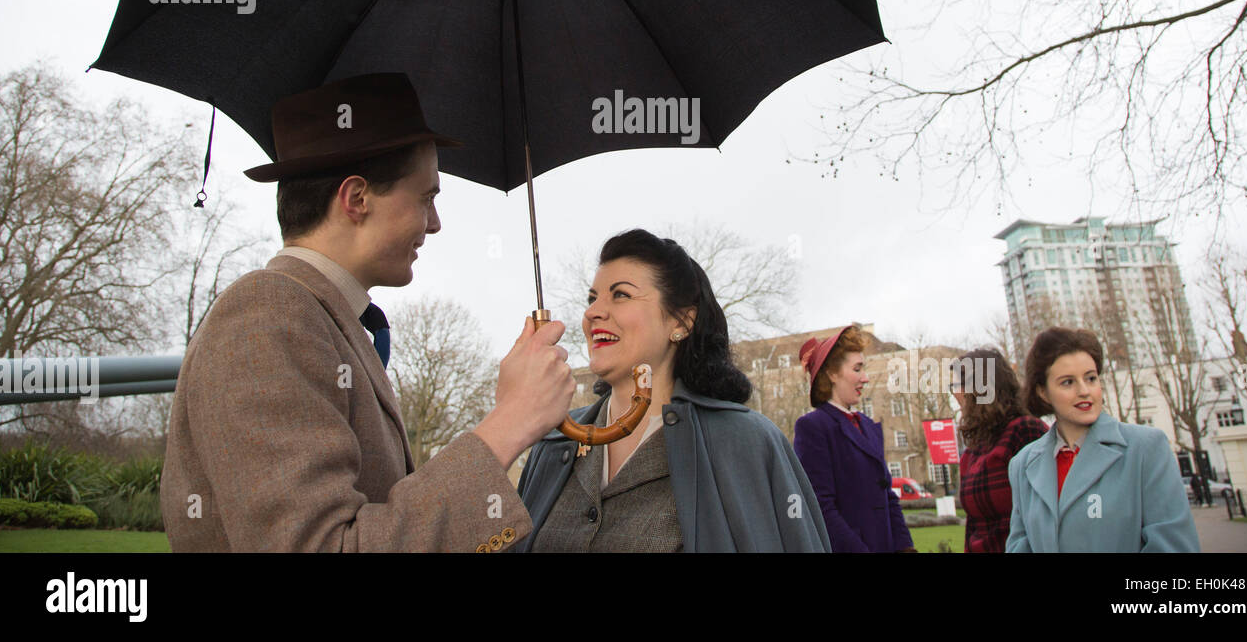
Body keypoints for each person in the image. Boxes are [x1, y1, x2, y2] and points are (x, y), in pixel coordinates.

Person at [160, 73, 575, 551]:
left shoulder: (324, 320)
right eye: (426, 198)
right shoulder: (266, 313)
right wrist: (511, 421)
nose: (435, 224)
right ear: (356, 199)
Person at [516, 229, 829, 551]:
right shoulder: (552, 443)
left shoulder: (746, 442)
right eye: (592, 297)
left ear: (681, 322)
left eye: (620, 294)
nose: (592, 312)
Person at [1006, 327, 1200, 552]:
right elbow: (1020, 546)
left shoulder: (1147, 448)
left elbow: (1173, 546)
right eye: (1068, 382)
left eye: (1091, 378)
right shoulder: (1022, 465)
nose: (1084, 390)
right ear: (1043, 392)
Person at [793, 325, 915, 553]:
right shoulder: (813, 427)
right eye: (857, 369)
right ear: (832, 373)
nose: (865, 378)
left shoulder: (868, 426)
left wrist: (905, 547)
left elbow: (888, 495)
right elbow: (821, 507)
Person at [951, 347, 1048, 553]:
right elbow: (974, 527)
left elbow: (1047, 515)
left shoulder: (1025, 432)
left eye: (958, 384)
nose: (954, 392)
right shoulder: (973, 450)